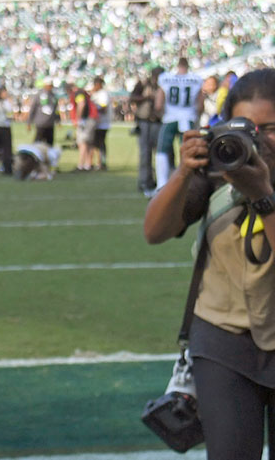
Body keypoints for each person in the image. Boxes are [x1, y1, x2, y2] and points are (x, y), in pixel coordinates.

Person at [142, 68, 275, 460]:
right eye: (246, 127)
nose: (258, 141)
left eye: (269, 128)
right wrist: (186, 172)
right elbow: (154, 231)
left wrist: (263, 196)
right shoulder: (219, 173)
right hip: (223, 337)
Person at [155, 58, 204, 190]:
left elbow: (159, 103)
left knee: (162, 150)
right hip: (188, 118)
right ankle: (188, 180)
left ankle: (161, 183)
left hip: (170, 117)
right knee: (189, 150)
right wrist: (197, 117)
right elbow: (200, 104)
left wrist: (160, 114)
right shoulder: (196, 79)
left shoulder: (166, 78)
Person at [131, 66, 164, 196]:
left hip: (158, 121)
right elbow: (133, 97)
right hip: (144, 121)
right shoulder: (143, 84)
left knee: (161, 152)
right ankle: (145, 180)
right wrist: (147, 98)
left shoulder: (165, 85)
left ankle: (161, 180)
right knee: (145, 152)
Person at [27, 79, 61, 146]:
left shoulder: (53, 96)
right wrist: (29, 122)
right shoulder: (39, 95)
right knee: (38, 142)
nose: (50, 87)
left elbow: (56, 109)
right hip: (41, 123)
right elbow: (33, 108)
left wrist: (58, 120)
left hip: (50, 123)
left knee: (49, 143)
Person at [91, 76, 111, 170]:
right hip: (97, 123)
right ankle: (98, 162)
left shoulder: (103, 94)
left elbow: (104, 107)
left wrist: (94, 110)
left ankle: (102, 162)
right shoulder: (96, 93)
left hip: (102, 123)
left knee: (100, 143)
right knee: (96, 144)